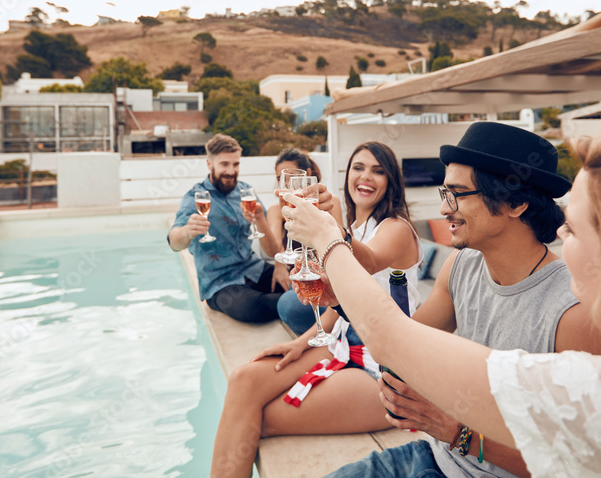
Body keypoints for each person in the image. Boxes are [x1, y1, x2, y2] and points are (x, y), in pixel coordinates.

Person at [286, 127, 601, 478]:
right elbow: (405, 346)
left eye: (572, 228)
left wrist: (330, 243)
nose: (559, 235)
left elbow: (394, 337)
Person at [210, 141, 423, 478]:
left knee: (256, 418)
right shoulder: (356, 227)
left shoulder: (396, 229)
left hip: (381, 364)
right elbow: (343, 305)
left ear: (391, 181)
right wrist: (303, 341)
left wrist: (327, 226)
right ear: (347, 175)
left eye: (378, 171)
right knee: (244, 381)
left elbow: (365, 261)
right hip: (340, 342)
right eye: (359, 168)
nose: (366, 177)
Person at [168, 134, 289, 323]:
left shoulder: (245, 191)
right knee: (252, 309)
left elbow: (271, 249)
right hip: (219, 283)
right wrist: (187, 231)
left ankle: (293, 302)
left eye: (236, 164)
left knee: (297, 285)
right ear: (209, 164)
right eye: (224, 164)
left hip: (252, 268)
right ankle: (293, 304)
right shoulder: (195, 197)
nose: (231, 171)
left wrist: (259, 221)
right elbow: (174, 242)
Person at [243, 148, 342, 334]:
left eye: (289, 177)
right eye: (280, 178)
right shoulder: (277, 209)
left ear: (307, 174)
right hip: (294, 280)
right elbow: (273, 250)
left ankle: (330, 331)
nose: (284, 183)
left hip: (323, 280)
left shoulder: (328, 202)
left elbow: (339, 247)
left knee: (286, 305)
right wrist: (260, 220)